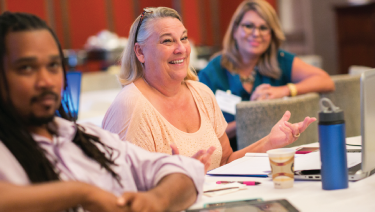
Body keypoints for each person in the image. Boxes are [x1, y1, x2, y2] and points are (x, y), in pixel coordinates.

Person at [0, 11, 205, 212]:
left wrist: (155, 201)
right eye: (26, 68)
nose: (46, 81)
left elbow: (186, 170)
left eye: (53, 65)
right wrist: (82, 194)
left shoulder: (89, 139)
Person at [102, 7, 316, 171]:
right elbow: (124, 193)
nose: (180, 49)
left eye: (183, 38)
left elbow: (225, 161)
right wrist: (183, 180)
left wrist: (270, 141)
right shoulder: (131, 106)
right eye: (167, 41)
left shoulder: (201, 93)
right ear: (140, 52)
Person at [198, 0, 335, 150]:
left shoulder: (280, 60)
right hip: (233, 157)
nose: (256, 33)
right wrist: (250, 116)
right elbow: (204, 134)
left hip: (281, 153)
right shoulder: (213, 71)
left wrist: (284, 90)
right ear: (235, 30)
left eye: (263, 27)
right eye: (248, 26)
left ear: (271, 34)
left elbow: (325, 80)